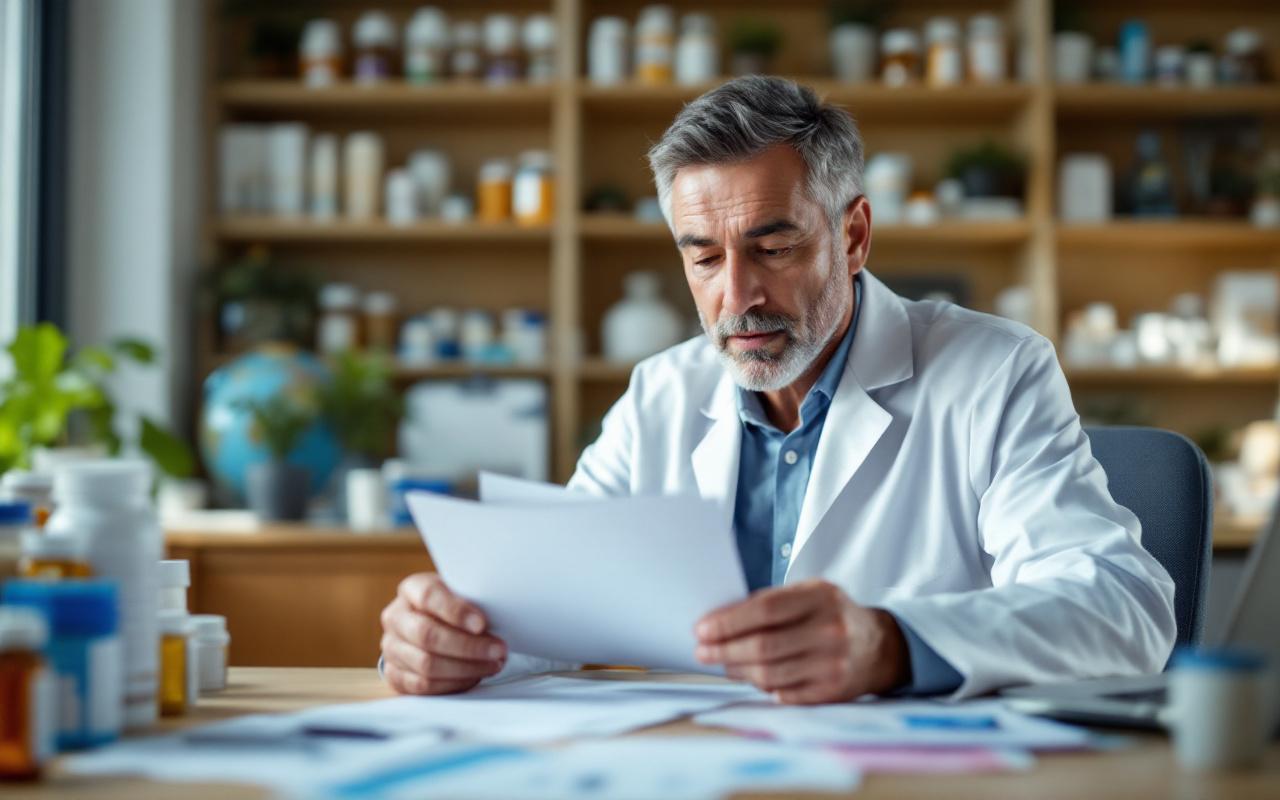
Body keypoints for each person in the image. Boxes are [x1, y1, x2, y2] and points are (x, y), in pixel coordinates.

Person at [379, 76, 1176, 703]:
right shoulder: (661, 395)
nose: (737, 296)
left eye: (774, 248)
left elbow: (1122, 609)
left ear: (853, 236)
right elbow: (556, 601)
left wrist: (889, 643)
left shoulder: (993, 371)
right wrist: (449, 637)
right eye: (703, 257)